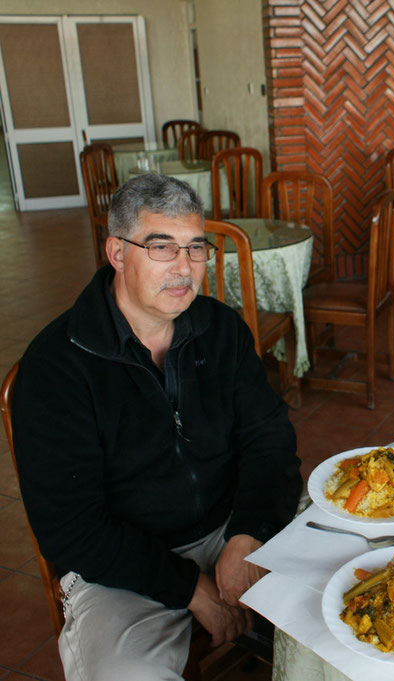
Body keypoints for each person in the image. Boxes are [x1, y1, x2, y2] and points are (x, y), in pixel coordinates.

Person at [11, 174, 301, 680]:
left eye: (195, 248)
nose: (184, 268)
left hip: (232, 521)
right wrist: (192, 588)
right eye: (161, 247)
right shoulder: (56, 366)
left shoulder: (220, 328)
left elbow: (268, 437)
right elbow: (72, 529)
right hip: (122, 569)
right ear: (117, 253)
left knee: (360, 562)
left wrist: (247, 534)